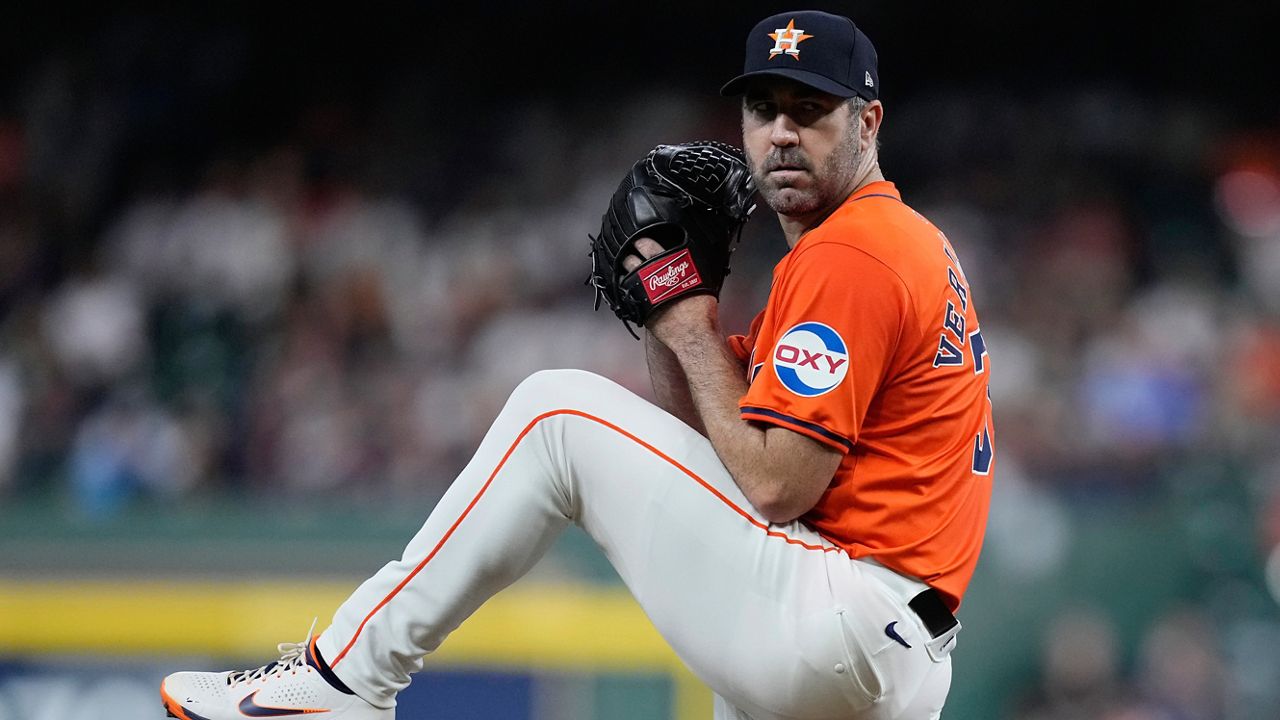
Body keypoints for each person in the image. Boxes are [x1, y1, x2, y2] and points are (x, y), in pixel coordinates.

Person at [161, 10, 994, 720]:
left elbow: (775, 487)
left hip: (844, 615)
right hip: (886, 645)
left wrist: (688, 316)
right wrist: (662, 313)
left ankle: (347, 676)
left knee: (553, 413)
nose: (779, 132)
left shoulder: (854, 253)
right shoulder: (884, 246)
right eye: (763, 108)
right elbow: (709, 445)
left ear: (869, 123)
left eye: (810, 109)